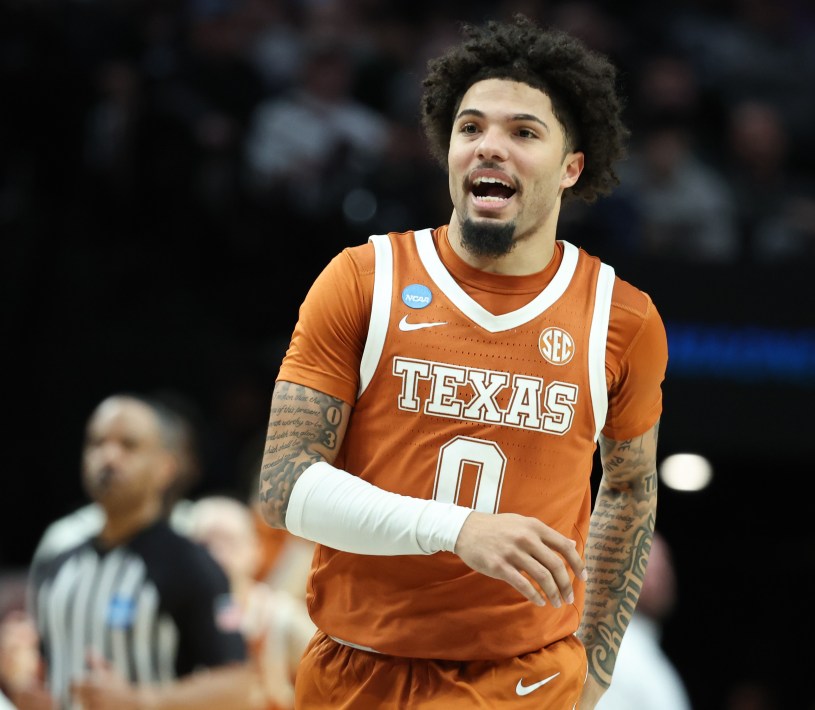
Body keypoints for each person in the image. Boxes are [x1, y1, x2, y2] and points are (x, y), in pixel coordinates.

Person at [257, 14, 667, 710]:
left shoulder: (620, 318)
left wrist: (594, 668)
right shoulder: (364, 279)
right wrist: (457, 528)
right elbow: (283, 487)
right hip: (355, 667)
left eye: (523, 132)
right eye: (470, 128)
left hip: (518, 676)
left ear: (572, 166)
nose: (488, 147)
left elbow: (628, 490)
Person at [21, 393, 261, 710]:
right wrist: (26, 685)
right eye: (96, 443)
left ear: (165, 467)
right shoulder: (57, 560)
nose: (108, 456)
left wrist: (141, 701)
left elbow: (238, 686)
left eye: (128, 445)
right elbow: (43, 666)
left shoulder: (190, 564)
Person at [188, 494, 317, 710]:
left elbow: (333, 680)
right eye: (205, 544)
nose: (217, 554)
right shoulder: (172, 617)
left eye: (228, 542)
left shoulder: (279, 616)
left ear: (255, 550)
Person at [596, 531, 691, 709]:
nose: (661, 572)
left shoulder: (644, 649)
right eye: (644, 559)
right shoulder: (609, 653)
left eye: (665, 561)